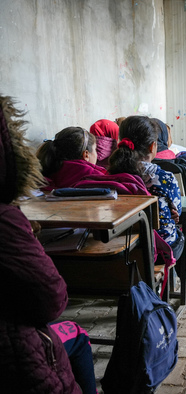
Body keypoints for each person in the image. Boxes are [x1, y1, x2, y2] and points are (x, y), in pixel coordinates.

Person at [0, 94, 97, 393]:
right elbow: (52, 301)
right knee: (77, 337)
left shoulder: (46, 184)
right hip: (19, 358)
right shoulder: (6, 220)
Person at [108, 116, 186, 296]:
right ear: (152, 146)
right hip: (153, 249)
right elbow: (177, 211)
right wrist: (170, 211)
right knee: (179, 235)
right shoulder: (164, 177)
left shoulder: (108, 174)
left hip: (117, 244)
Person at [36, 126, 106, 191]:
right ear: (86, 155)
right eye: (95, 149)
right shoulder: (94, 176)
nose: (96, 154)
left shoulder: (47, 171)